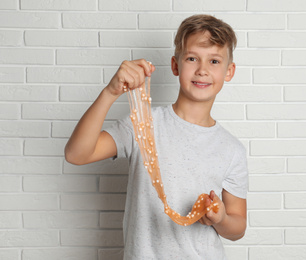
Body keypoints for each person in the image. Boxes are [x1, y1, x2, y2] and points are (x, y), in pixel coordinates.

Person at [65, 14, 248, 259]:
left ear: (229, 71)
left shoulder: (231, 149)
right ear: (175, 65)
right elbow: (76, 154)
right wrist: (110, 92)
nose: (202, 70)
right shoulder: (142, 124)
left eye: (214, 61)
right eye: (192, 58)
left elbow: (237, 228)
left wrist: (221, 217)